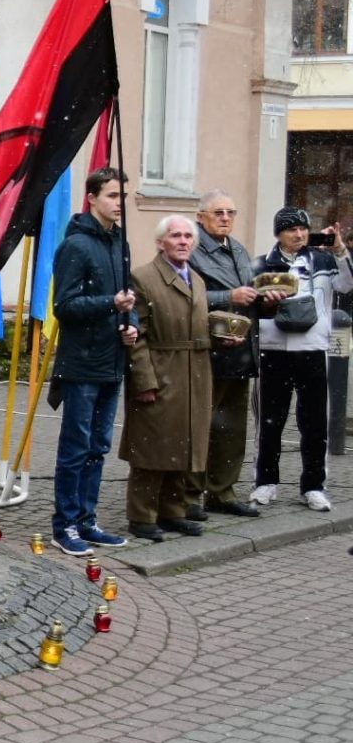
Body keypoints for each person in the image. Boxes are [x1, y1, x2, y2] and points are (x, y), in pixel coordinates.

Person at [47, 168, 137, 555]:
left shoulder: (121, 242)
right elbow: (64, 306)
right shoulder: (77, 246)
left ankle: (87, 519)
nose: (119, 203)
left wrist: (130, 324)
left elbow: (126, 298)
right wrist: (109, 304)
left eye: (123, 196)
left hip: (111, 360)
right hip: (81, 362)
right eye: (113, 196)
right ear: (92, 199)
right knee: (76, 447)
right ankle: (64, 524)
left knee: (99, 445)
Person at [249, 206, 353, 511]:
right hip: (274, 351)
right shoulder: (261, 264)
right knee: (270, 423)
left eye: (303, 228)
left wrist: (340, 251)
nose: (299, 234)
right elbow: (250, 303)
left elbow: (347, 284)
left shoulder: (323, 260)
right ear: (278, 233)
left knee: (314, 423)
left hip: (312, 350)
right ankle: (265, 483)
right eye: (291, 229)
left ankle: (313, 485)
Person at [120, 216, 212, 541]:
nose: (183, 241)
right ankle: (142, 515)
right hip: (160, 371)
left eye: (188, 236)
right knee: (151, 448)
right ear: (161, 242)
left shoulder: (196, 280)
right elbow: (136, 334)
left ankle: (173, 512)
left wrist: (221, 337)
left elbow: (195, 322)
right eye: (175, 236)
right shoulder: (143, 278)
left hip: (193, 374)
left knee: (183, 444)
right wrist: (143, 381)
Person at [184, 192, 262, 518]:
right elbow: (186, 293)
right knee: (199, 427)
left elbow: (248, 294)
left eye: (231, 212)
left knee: (231, 429)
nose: (226, 218)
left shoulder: (239, 249)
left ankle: (222, 491)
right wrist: (228, 295)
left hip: (240, 351)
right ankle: (188, 495)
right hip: (207, 351)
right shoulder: (191, 248)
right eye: (219, 212)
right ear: (201, 216)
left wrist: (265, 297)